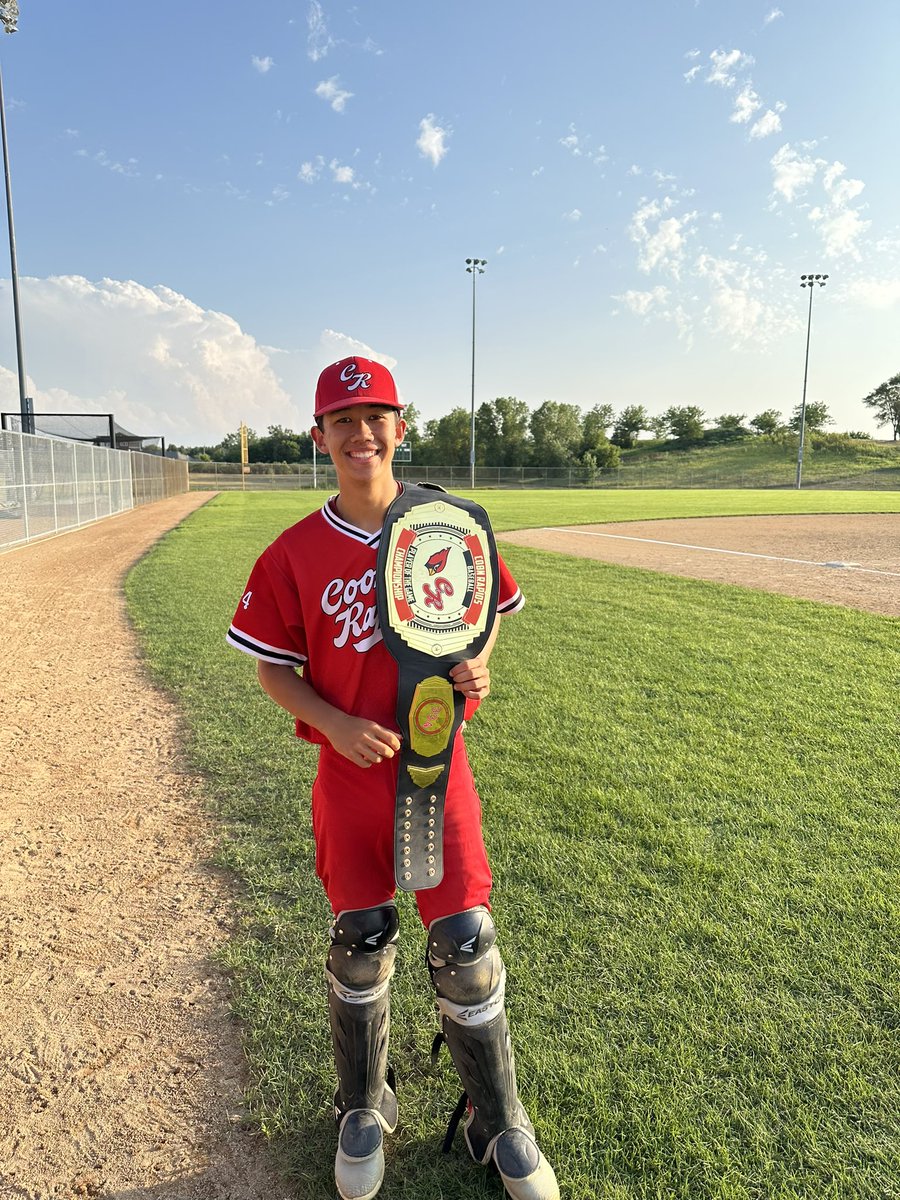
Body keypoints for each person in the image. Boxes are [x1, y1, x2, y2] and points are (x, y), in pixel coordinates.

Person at [226, 356, 558, 1200]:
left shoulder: (444, 524)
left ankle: (498, 1120)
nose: (360, 433)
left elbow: (486, 624)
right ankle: (364, 1104)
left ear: (400, 426)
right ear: (319, 437)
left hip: (439, 776)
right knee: (362, 942)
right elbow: (274, 668)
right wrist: (333, 722)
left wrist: (479, 665)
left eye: (375, 416)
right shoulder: (295, 550)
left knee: (466, 946)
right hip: (348, 778)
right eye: (342, 420)